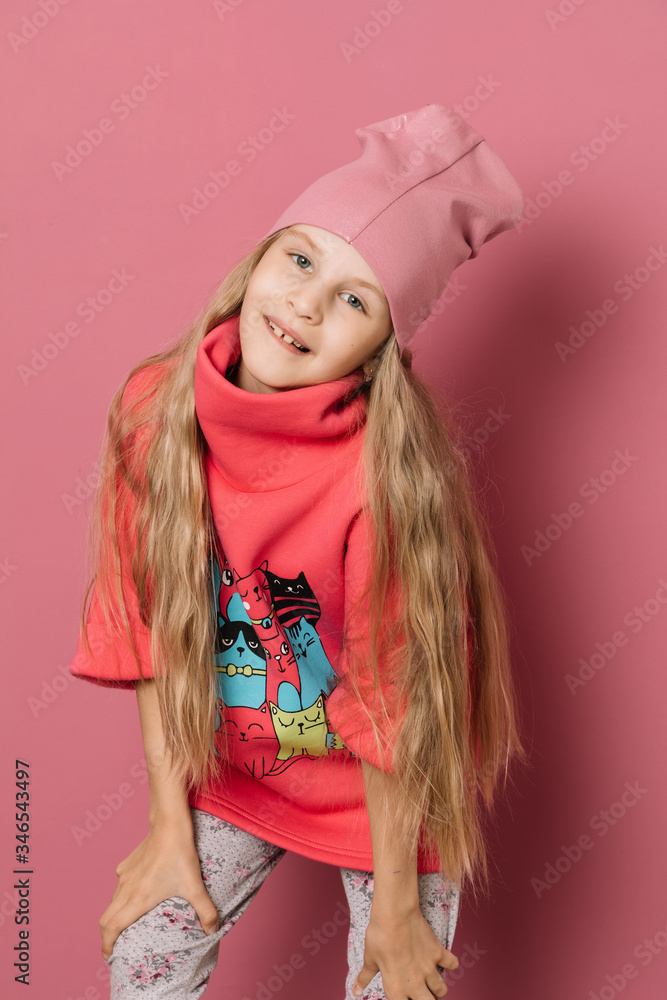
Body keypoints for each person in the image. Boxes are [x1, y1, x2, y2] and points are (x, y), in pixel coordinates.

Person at [68, 103, 528, 999]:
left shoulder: (383, 484)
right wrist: (170, 828)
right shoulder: (153, 411)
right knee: (140, 958)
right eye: (301, 259)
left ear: (383, 347)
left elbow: (398, 714)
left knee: (395, 988)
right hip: (250, 771)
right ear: (262, 256)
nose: (305, 305)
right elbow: (152, 632)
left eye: (354, 299)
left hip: (392, 800)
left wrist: (396, 909)